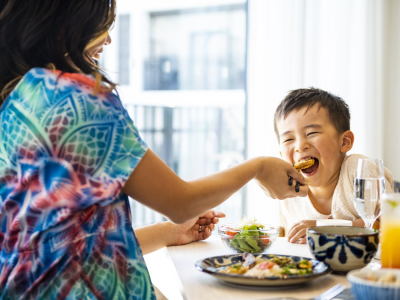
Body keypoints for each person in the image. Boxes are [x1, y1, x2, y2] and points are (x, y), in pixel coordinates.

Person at [0, 1, 307, 299]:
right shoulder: (78, 96)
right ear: (68, 21)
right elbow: (181, 202)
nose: (107, 38)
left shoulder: (15, 99)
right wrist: (259, 168)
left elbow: (59, 242)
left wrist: (166, 233)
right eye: (101, 22)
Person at [272, 88, 394, 244]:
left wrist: (325, 227)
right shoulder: (289, 192)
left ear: (344, 142)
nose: (300, 146)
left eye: (311, 133)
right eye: (288, 140)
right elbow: (284, 238)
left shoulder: (359, 171)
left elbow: (387, 222)